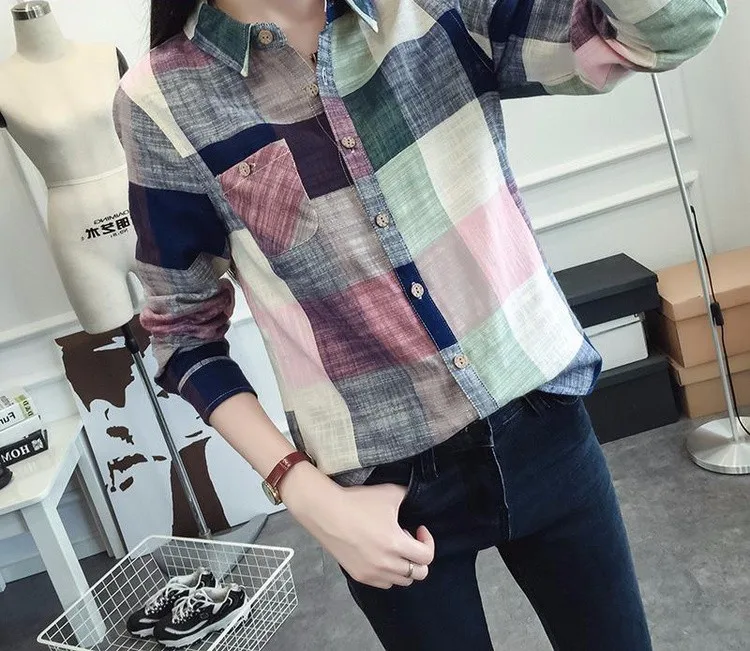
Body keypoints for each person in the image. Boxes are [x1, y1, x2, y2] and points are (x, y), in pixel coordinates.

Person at [113, 1, 726, 649]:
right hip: (380, 497)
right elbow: (184, 332)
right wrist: (312, 500)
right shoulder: (160, 100)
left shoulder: (435, 8)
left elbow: (669, 28)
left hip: (544, 426)